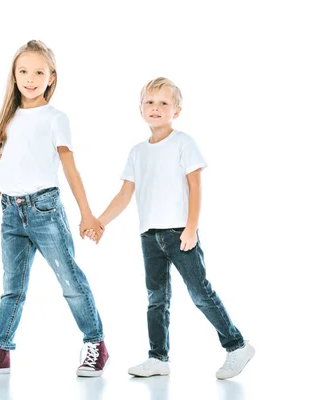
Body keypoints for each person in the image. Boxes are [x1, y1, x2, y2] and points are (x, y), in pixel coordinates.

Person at [85, 77, 254, 380]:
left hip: (179, 233)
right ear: (140, 108)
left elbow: (195, 188)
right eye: (150, 102)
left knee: (201, 293)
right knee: (156, 298)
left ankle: (237, 345)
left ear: (176, 110)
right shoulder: (137, 151)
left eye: (164, 103)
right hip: (149, 235)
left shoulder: (183, 143)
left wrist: (191, 228)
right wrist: (100, 221)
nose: (156, 108)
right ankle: (158, 357)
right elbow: (125, 194)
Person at [0, 40, 108, 377]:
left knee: (69, 280)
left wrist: (87, 213)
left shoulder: (56, 118)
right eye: (23, 71)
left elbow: (70, 168)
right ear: (13, 75)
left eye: (39, 71)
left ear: (52, 77)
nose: (30, 78)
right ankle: (0, 351)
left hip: (45, 210)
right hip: (11, 213)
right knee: (13, 287)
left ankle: (96, 343)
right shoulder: (4, 119)